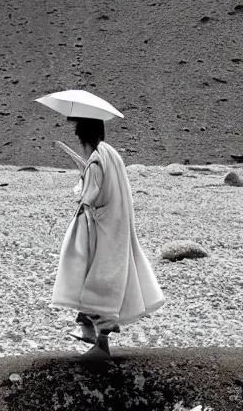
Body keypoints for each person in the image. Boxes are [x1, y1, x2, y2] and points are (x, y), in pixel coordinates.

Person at [50, 117, 165, 359]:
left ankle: (98, 340)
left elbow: (90, 194)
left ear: (83, 137)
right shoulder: (111, 153)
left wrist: (81, 194)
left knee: (94, 277)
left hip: (100, 228)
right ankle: (92, 332)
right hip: (117, 227)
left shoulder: (96, 159)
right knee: (108, 279)